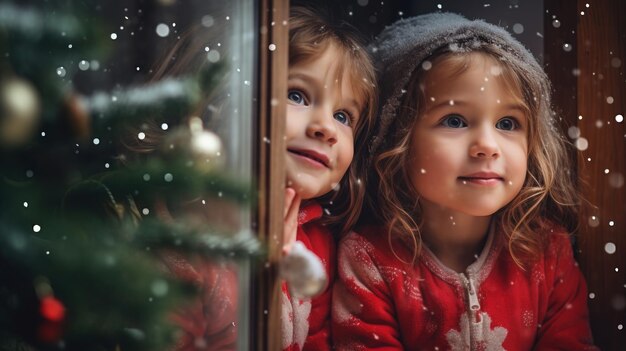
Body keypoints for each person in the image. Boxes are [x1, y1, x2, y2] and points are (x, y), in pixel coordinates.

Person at [332, 12, 598, 350]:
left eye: (507, 123)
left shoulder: (547, 252)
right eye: (455, 120)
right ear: (396, 138)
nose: (487, 145)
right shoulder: (369, 259)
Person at [280, 6, 377, 351]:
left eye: (342, 115)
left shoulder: (320, 244)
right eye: (297, 95)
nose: (326, 128)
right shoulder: (195, 233)